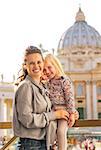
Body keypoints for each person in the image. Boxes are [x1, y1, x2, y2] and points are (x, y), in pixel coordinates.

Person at [13, 46, 69, 150]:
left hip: (42, 144)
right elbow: (27, 119)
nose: (36, 66)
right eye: (31, 63)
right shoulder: (25, 86)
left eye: (39, 62)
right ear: (25, 66)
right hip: (30, 145)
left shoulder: (42, 86)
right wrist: (54, 115)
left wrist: (72, 112)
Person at [43, 54, 78, 150]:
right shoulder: (47, 82)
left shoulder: (64, 80)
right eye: (44, 70)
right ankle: (53, 147)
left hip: (65, 112)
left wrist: (71, 113)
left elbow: (69, 98)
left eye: (49, 67)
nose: (47, 72)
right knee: (50, 129)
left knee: (61, 132)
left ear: (56, 65)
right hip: (53, 112)